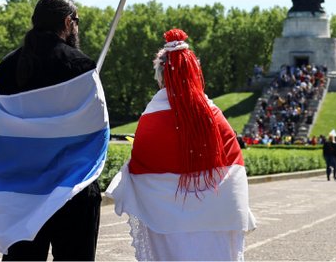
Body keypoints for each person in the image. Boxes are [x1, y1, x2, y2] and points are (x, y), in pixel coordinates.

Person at [0, 0, 107, 260]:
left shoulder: (5, 69)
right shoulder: (82, 67)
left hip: (19, 193)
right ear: (67, 21)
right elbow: (97, 133)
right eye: (77, 21)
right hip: (71, 191)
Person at [107, 29, 255, 261]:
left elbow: (139, 165)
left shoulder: (150, 117)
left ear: (160, 76)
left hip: (166, 221)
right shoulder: (214, 114)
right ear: (195, 72)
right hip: (214, 219)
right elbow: (234, 165)